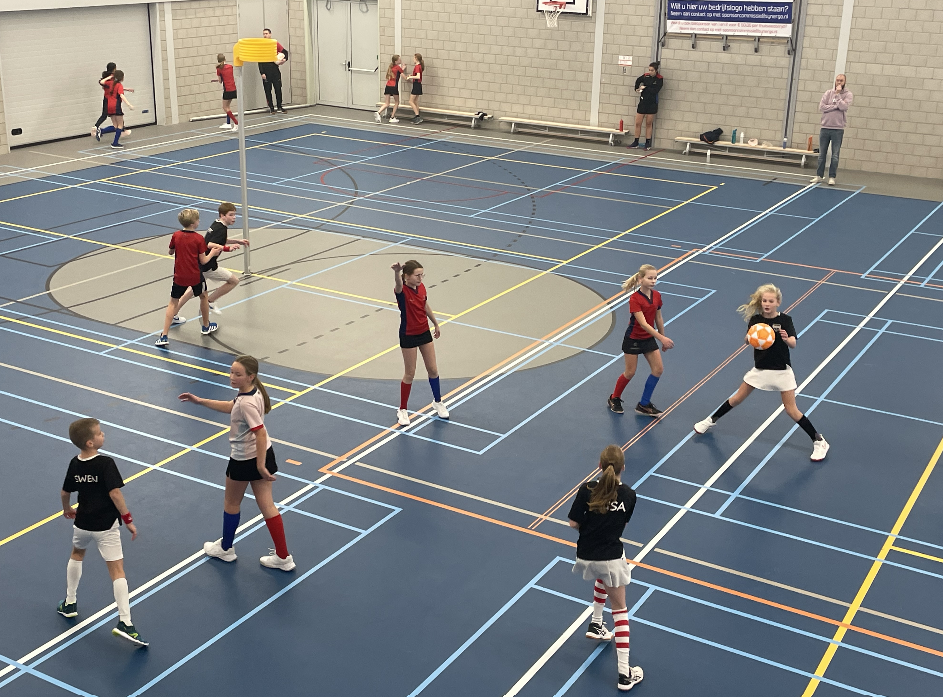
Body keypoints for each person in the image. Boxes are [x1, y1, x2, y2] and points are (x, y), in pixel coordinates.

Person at [179, 355, 296, 571]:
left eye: (238, 374)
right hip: (264, 452)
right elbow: (231, 406)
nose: (232, 377)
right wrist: (200, 401)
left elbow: (259, 433)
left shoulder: (246, 403)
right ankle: (283, 557)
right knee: (267, 505)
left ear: (250, 376)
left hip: (244, 459)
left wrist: (260, 466)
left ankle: (225, 549)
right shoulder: (253, 393)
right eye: (231, 372)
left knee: (231, 503)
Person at [693, 283, 830, 462]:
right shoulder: (756, 320)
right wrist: (750, 337)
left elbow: (793, 344)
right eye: (764, 300)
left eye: (770, 301)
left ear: (777, 302)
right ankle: (710, 421)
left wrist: (786, 338)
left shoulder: (785, 320)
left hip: (781, 371)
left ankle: (819, 441)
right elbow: (748, 340)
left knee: (791, 410)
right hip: (760, 369)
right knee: (736, 399)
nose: (767, 304)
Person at [58, 418, 147, 647]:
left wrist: (67, 509)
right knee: (117, 571)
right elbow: (115, 494)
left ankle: (69, 603)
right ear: (90, 442)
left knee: (77, 554)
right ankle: (125, 622)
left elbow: (65, 492)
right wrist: (128, 519)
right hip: (106, 526)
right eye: (99, 433)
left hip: (82, 523)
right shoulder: (106, 463)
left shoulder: (75, 463)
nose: (103, 434)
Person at [568, 445, 643, 692]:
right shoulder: (629, 495)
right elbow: (622, 525)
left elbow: (573, 523)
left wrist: (591, 530)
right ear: (623, 468)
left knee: (605, 574)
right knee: (620, 610)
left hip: (585, 555)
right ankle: (624, 674)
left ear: (599, 466)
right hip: (610, 557)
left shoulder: (586, 489)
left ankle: (596, 623)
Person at [608, 264, 673, 417]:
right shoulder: (635, 299)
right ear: (640, 279)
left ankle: (644, 404)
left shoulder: (657, 296)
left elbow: (658, 318)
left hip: (648, 338)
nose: (653, 281)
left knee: (658, 370)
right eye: (650, 278)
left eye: (655, 278)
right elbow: (643, 324)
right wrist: (662, 338)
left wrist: (662, 337)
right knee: (630, 372)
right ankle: (614, 398)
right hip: (633, 339)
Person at [155, 209, 223, 347]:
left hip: (179, 275)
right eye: (198, 220)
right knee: (203, 297)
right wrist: (213, 253)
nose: (199, 221)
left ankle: (164, 335)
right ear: (193, 223)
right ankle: (206, 326)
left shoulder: (176, 235)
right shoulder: (198, 239)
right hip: (195, 275)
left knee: (172, 303)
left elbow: (170, 251)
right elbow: (203, 260)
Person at [392, 260, 449, 426]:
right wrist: (396, 273)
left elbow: (425, 305)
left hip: (424, 332)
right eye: (417, 275)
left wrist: (435, 323)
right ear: (407, 276)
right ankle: (402, 410)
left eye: (422, 275)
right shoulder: (401, 291)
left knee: (433, 369)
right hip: (408, 334)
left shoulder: (422, 288)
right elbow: (398, 284)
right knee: (410, 373)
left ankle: (437, 402)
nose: (420, 278)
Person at [173, 202, 248, 321]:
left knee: (190, 291)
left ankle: (173, 314)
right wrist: (227, 248)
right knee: (233, 281)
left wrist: (237, 241)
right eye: (231, 215)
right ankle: (210, 301)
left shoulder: (216, 224)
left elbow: (220, 240)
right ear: (222, 215)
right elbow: (209, 244)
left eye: (234, 215)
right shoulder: (221, 229)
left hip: (200, 265)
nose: (234, 217)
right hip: (208, 266)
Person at [811, 74, 853, 186]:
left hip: (838, 129)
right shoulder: (828, 93)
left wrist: (838, 95)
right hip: (825, 128)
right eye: (837, 80)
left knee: (835, 155)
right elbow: (822, 107)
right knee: (822, 154)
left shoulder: (848, 94)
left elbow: (844, 107)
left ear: (844, 82)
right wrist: (835, 107)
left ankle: (832, 177)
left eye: (841, 81)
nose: (839, 82)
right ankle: (819, 175)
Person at [629, 62, 662, 150]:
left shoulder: (659, 79)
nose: (650, 72)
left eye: (652, 70)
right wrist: (636, 88)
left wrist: (646, 87)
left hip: (652, 104)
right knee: (638, 123)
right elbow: (638, 80)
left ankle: (647, 143)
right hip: (643, 102)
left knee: (648, 123)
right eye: (649, 70)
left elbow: (655, 90)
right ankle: (636, 142)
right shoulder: (645, 76)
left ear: (656, 70)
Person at [97, 70, 134, 149]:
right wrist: (129, 104)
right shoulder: (119, 85)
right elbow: (121, 95)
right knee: (120, 125)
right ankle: (115, 143)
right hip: (116, 106)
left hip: (109, 106)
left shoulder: (110, 83)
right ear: (122, 78)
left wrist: (110, 77)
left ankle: (102, 131)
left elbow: (102, 82)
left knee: (115, 126)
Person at [259, 28, 288, 114]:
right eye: (264, 34)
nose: (265, 35)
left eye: (266, 33)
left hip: (275, 70)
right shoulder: (261, 46)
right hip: (266, 71)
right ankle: (271, 108)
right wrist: (262, 72)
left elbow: (285, 52)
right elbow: (259, 60)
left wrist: (284, 60)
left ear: (270, 34)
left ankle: (279, 106)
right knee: (268, 90)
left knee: (278, 89)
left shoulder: (275, 43)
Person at [213, 53, 239, 131]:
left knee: (225, 107)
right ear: (225, 59)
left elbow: (220, 81)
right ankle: (228, 123)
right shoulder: (230, 66)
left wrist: (218, 79)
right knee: (228, 107)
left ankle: (236, 122)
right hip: (233, 88)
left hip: (227, 90)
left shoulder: (219, 69)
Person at [376, 55, 405, 124]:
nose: (400, 60)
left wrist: (403, 68)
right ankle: (392, 117)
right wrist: (408, 78)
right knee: (397, 102)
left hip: (388, 86)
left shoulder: (391, 67)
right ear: (396, 61)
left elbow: (399, 71)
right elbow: (403, 75)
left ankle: (378, 112)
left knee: (387, 103)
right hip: (394, 86)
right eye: (399, 59)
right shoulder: (398, 67)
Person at [404, 53, 424, 124]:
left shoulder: (417, 67)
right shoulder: (419, 66)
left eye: (414, 58)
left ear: (416, 58)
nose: (413, 59)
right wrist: (412, 75)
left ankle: (417, 116)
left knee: (411, 101)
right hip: (417, 84)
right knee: (415, 101)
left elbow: (418, 76)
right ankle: (417, 116)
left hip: (416, 85)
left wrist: (410, 77)